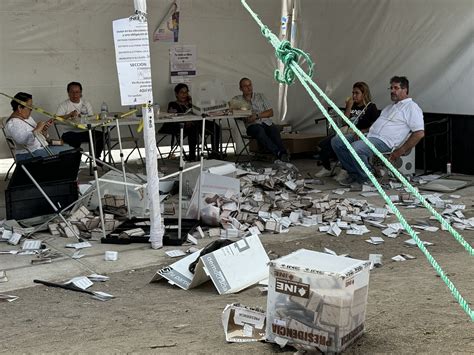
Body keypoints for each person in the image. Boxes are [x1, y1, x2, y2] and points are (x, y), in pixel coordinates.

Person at [331, 76, 424, 187]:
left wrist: (401, 150)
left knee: (356, 148)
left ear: (405, 90)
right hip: (369, 136)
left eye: (396, 88)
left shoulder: (412, 107)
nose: (392, 91)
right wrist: (362, 132)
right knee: (337, 141)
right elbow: (375, 126)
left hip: (385, 141)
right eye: (391, 88)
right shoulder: (389, 107)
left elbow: (419, 133)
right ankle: (355, 174)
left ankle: (367, 179)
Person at [315, 82, 379, 178]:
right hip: (347, 131)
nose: (354, 96)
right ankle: (327, 167)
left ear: (364, 94)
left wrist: (364, 131)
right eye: (353, 93)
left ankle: (345, 168)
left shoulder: (371, 107)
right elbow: (345, 122)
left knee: (339, 143)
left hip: (359, 133)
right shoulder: (352, 105)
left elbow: (376, 125)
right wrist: (348, 106)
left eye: (357, 93)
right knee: (322, 144)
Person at [159, 83, 220, 161]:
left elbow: (200, 112)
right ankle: (192, 157)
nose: (184, 95)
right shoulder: (173, 104)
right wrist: (185, 121)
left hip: (196, 123)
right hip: (180, 126)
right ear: (176, 94)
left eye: (186, 92)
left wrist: (192, 102)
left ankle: (215, 153)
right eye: (182, 92)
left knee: (215, 127)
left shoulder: (191, 104)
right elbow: (173, 117)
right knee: (192, 129)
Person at [5, 92, 73, 162]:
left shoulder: (28, 118)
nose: (31, 110)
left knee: (71, 150)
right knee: (69, 154)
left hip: (41, 149)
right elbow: (23, 141)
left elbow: (38, 135)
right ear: (19, 107)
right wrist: (37, 129)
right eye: (29, 107)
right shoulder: (13, 123)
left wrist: (43, 130)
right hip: (29, 154)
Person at [232, 77, 288, 162]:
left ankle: (281, 153)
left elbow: (270, 112)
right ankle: (279, 153)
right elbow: (233, 111)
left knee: (274, 129)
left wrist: (257, 116)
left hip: (266, 123)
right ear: (240, 88)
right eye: (245, 86)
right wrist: (244, 116)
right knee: (259, 130)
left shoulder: (260, 96)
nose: (248, 87)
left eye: (250, 85)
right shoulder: (237, 99)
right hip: (252, 126)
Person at [56, 82, 104, 158]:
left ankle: (95, 157)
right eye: (72, 92)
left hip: (85, 131)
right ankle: (76, 162)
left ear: (81, 93)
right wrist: (69, 115)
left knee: (102, 135)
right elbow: (56, 120)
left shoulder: (86, 103)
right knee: (74, 140)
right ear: (68, 93)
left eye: (77, 92)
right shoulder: (63, 105)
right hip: (69, 132)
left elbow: (91, 118)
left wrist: (82, 117)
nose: (75, 95)